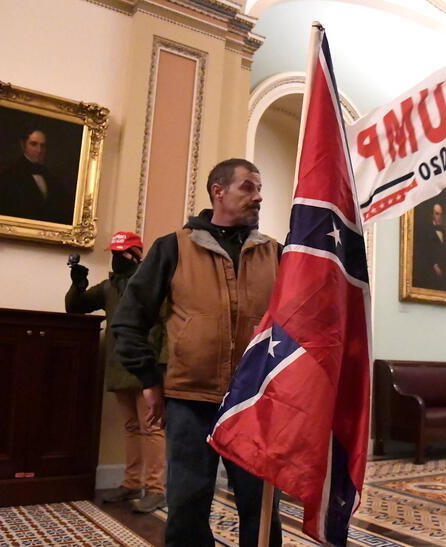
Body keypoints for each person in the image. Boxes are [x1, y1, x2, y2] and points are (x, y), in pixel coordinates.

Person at [111, 158, 282, 546]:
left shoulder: (276, 253)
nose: (258, 197)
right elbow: (129, 320)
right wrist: (150, 381)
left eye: (259, 189)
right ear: (217, 191)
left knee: (262, 509)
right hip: (190, 399)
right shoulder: (173, 247)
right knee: (187, 507)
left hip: (255, 404)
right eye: (248, 187)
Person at [65, 231, 166, 512]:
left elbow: (166, 326)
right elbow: (75, 307)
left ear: (136, 255)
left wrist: (159, 368)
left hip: (146, 367)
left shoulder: (152, 283)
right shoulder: (109, 287)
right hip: (119, 365)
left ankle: (156, 489)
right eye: (114, 253)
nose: (116, 258)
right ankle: (132, 483)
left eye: (121, 253)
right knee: (133, 427)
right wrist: (78, 284)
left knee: (152, 428)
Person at [0, 128, 75, 224]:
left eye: (42, 146)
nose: (39, 150)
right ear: (23, 145)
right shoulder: (8, 176)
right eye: (33, 144)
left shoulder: (51, 178)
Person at [415, 202, 446, 291]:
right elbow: (423, 252)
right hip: (430, 273)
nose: (439, 217)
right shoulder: (425, 232)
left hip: (445, 273)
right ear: (432, 215)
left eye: (441, 214)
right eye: (437, 214)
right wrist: (434, 265)